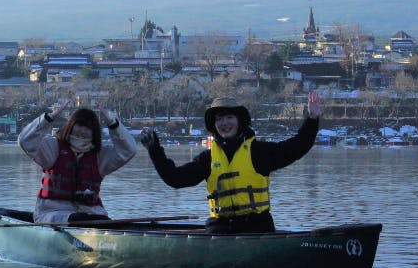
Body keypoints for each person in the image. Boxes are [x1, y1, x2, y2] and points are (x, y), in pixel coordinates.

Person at [138, 91, 322, 234]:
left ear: (240, 121)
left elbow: (297, 147)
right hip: (220, 230)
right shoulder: (207, 159)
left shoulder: (259, 152)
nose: (224, 123)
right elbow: (175, 179)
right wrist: (155, 150)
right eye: (219, 119)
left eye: (229, 117)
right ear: (214, 125)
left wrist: (312, 120)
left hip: (257, 228)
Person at [18, 105, 138, 224]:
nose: (83, 131)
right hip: (53, 213)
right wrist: (48, 118)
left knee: (97, 220)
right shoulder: (54, 147)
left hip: (92, 214)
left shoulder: (100, 155)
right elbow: (26, 141)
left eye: (88, 128)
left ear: (94, 132)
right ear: (71, 125)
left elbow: (128, 151)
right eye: (79, 125)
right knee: (78, 218)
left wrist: (113, 124)